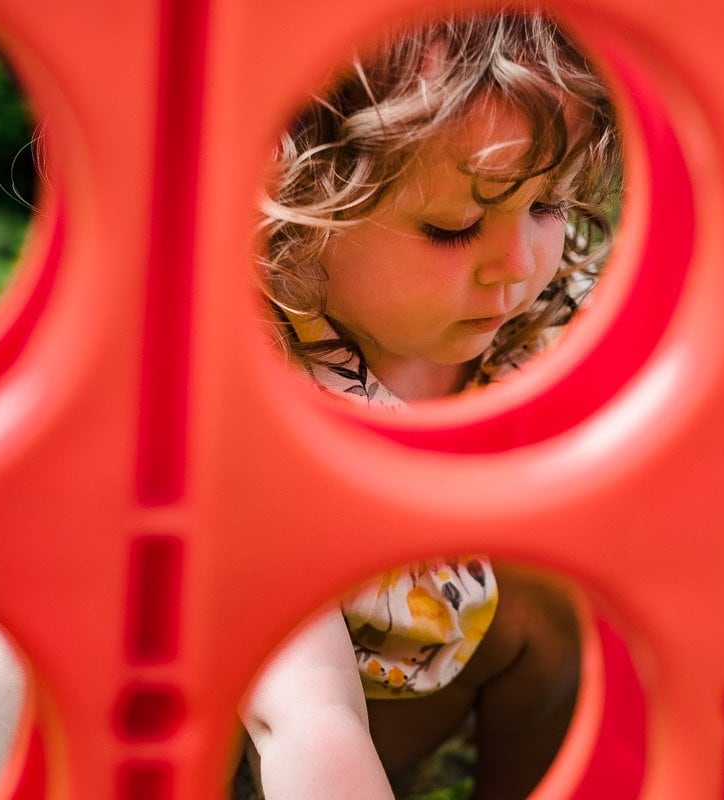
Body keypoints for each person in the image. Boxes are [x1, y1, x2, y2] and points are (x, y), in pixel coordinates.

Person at [242, 11, 621, 800]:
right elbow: (302, 710)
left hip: (411, 687)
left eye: (547, 207)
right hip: (246, 705)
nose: (519, 266)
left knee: (564, 597)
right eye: (454, 227)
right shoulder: (252, 379)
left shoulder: (552, 324)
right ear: (292, 207)